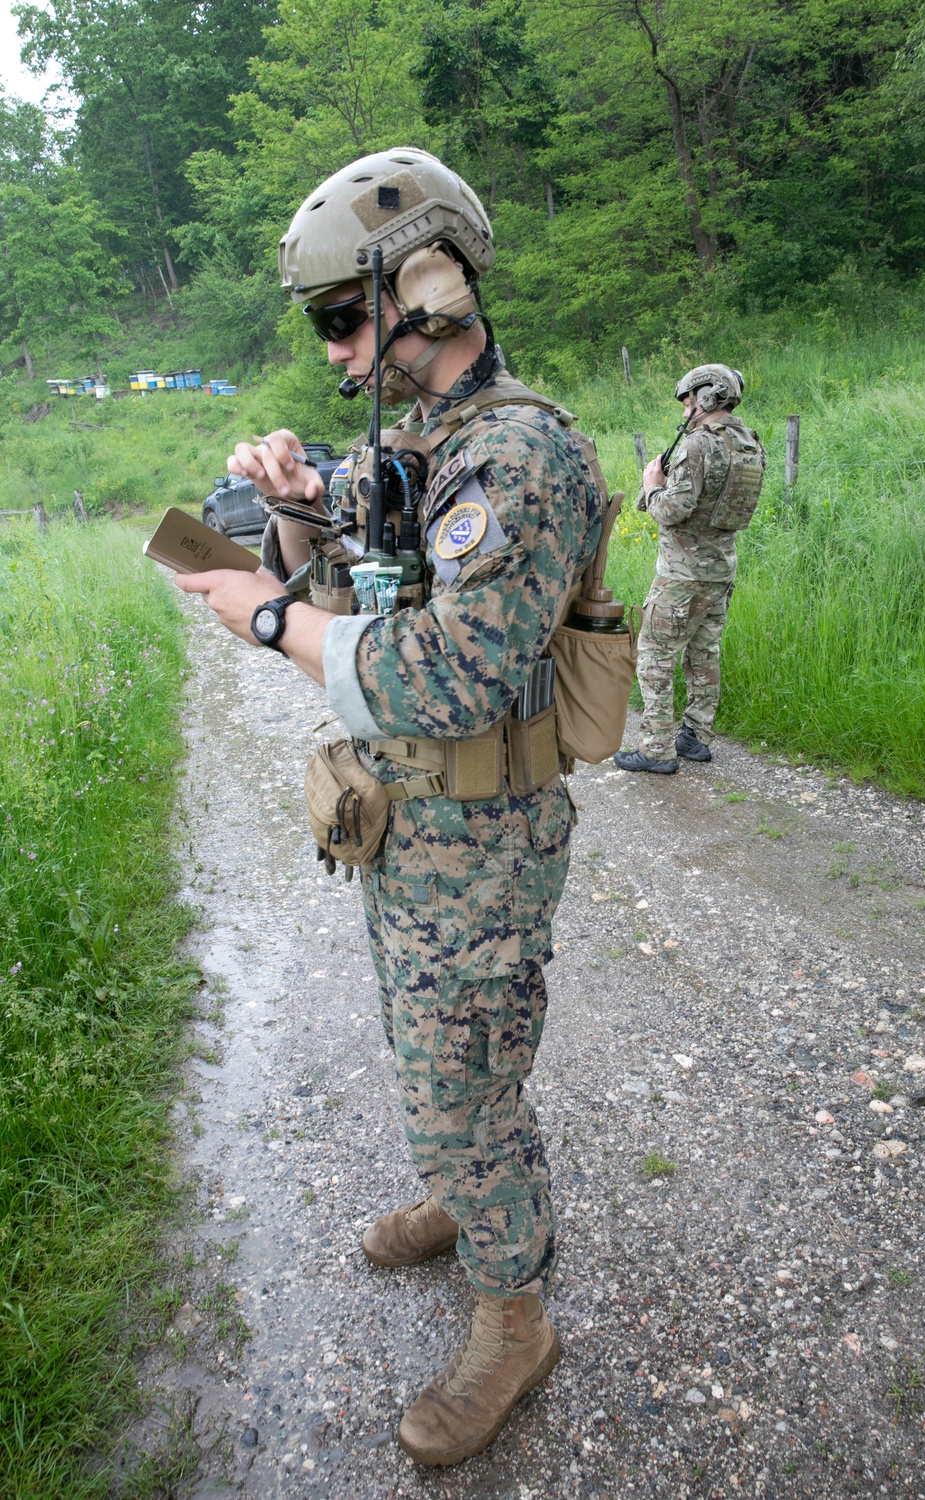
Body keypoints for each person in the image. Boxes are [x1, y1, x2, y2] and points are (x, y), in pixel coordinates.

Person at [173, 147, 605, 1467]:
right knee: (441, 1056)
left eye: (341, 320)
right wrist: (297, 504)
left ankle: (513, 1314)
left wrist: (269, 619)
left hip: (484, 829)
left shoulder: (521, 456)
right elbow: (355, 533)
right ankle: (470, 1193)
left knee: (461, 1067)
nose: (335, 355)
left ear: (424, 292)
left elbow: (450, 670)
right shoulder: (427, 443)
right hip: (414, 825)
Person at [614, 364, 765, 774]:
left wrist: (651, 483)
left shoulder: (698, 445)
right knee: (704, 652)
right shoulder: (749, 443)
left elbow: (671, 509)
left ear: (707, 397)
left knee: (654, 654)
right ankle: (696, 738)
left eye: (688, 401)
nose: (685, 410)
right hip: (721, 570)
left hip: (682, 574)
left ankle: (656, 749)